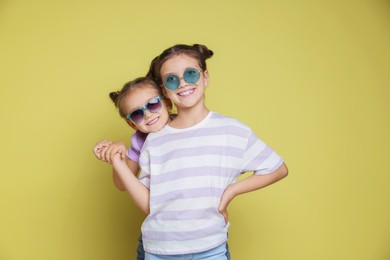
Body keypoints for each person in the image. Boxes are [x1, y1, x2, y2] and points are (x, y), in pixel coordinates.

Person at [137, 44, 288, 259]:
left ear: (205, 77)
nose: (182, 83)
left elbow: (277, 169)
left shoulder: (233, 131)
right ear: (164, 90)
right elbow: (147, 198)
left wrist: (231, 191)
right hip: (160, 249)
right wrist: (118, 163)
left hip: (211, 247)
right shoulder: (155, 140)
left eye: (190, 74)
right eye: (172, 79)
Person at [93, 76, 232, 259]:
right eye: (137, 114)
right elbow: (121, 183)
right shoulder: (140, 142)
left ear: (167, 103)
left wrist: (223, 202)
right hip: (162, 236)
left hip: (202, 233)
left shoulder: (188, 127)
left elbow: (209, 170)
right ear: (131, 123)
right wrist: (117, 156)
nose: (148, 114)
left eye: (152, 104)